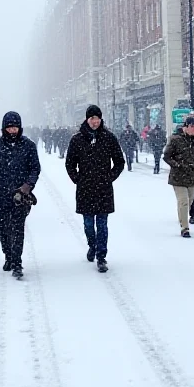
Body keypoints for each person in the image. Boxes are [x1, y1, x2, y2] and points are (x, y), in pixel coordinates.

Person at [0, 111, 41, 279]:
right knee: (3, 229)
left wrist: (27, 186)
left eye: (14, 127)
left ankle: (17, 262)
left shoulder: (28, 146)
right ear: (4, 128)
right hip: (0, 196)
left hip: (21, 197)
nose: (12, 131)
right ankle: (8, 255)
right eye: (9, 127)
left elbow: (35, 168)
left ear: (19, 127)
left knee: (18, 228)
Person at [65, 105, 125, 272]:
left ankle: (101, 255)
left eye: (97, 118)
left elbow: (119, 161)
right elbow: (70, 163)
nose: (95, 122)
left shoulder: (109, 138)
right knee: (88, 224)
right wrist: (77, 178)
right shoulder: (77, 139)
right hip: (85, 188)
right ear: (87, 119)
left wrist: (110, 177)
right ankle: (92, 245)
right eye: (92, 118)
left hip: (103, 188)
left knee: (103, 224)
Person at [163, 116, 194, 238]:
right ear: (185, 127)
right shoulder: (175, 140)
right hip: (178, 177)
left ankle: (182, 217)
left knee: (189, 201)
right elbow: (166, 156)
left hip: (193, 176)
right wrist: (178, 165)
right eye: (192, 126)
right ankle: (185, 228)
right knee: (183, 201)